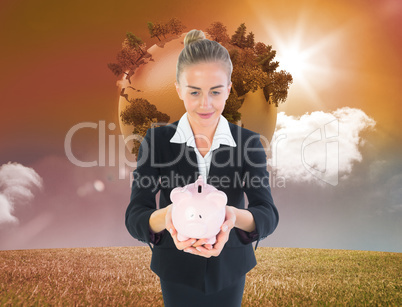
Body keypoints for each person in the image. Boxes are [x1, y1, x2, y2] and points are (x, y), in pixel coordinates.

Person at [125, 29, 279, 307]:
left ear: (229, 90)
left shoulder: (248, 143)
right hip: (175, 269)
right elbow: (136, 214)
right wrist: (169, 218)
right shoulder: (157, 141)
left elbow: (267, 213)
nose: (205, 104)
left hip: (230, 268)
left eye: (216, 92)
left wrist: (230, 216)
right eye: (194, 92)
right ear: (178, 89)